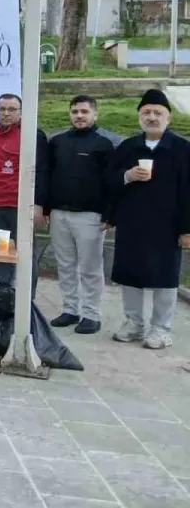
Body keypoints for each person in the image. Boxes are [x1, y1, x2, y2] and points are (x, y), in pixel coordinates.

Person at [104, 89, 190, 350]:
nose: (152, 117)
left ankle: (161, 329)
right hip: (132, 222)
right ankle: (134, 324)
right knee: (129, 274)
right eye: (146, 113)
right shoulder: (128, 147)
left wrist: (187, 229)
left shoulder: (182, 149)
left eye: (157, 113)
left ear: (169, 118)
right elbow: (109, 182)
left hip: (168, 224)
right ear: (139, 116)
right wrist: (127, 176)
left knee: (165, 277)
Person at [45, 95, 119, 335]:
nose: (79, 116)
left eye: (84, 112)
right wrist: (45, 208)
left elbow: (112, 184)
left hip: (90, 216)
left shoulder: (104, 145)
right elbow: (48, 176)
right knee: (65, 265)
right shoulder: (57, 142)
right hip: (59, 213)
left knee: (90, 268)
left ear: (94, 115)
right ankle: (70, 309)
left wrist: (110, 214)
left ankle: (91, 314)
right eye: (75, 111)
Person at [0, 93, 49, 293]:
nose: (6, 113)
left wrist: (38, 204)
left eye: (12, 109)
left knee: (25, 252)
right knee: (2, 250)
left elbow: (42, 170)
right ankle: (4, 290)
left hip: (20, 205)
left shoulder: (32, 134)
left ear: (21, 112)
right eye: (2, 109)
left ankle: (28, 295)